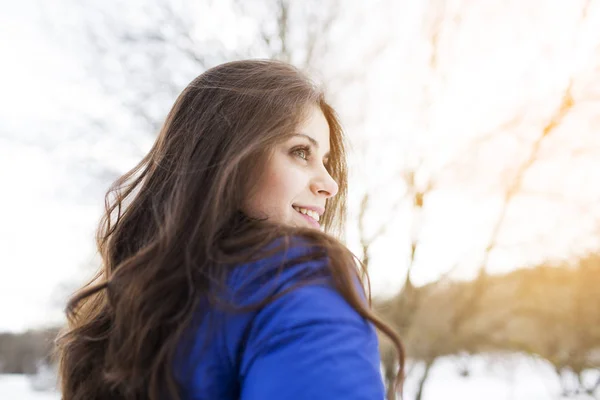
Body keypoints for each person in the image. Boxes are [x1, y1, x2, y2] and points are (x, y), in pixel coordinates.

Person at [55, 59, 404, 399]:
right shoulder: (299, 277)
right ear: (230, 156)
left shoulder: (129, 306)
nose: (330, 184)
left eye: (325, 162)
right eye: (300, 152)